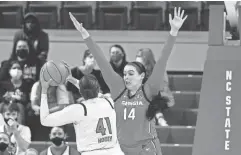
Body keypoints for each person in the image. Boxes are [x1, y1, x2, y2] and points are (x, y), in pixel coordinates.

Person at [69, 7, 187, 155]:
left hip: (146, 148)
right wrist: (85, 34)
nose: (126, 77)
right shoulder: (118, 88)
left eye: (131, 73)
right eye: (124, 74)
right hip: (121, 148)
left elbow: (163, 59)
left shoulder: (149, 89)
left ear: (142, 76)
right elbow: (101, 60)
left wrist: (173, 32)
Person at [39, 70, 124, 155]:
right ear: (98, 89)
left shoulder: (78, 110)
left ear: (81, 92)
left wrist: (44, 91)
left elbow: (44, 120)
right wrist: (72, 79)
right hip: (115, 151)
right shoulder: (109, 101)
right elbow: (95, 93)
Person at [135, 48, 175, 126]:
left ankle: (160, 119)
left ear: (147, 61)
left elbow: (162, 87)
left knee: (152, 100)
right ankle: (160, 118)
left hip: (161, 97)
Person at [0, 60, 30, 125]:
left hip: (20, 106)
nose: (17, 70)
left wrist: (20, 98)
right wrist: (6, 98)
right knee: (0, 107)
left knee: (20, 107)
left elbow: (27, 99)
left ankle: (20, 130)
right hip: (6, 104)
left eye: (19, 68)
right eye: (14, 68)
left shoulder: (26, 84)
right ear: (9, 71)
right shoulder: (3, 84)